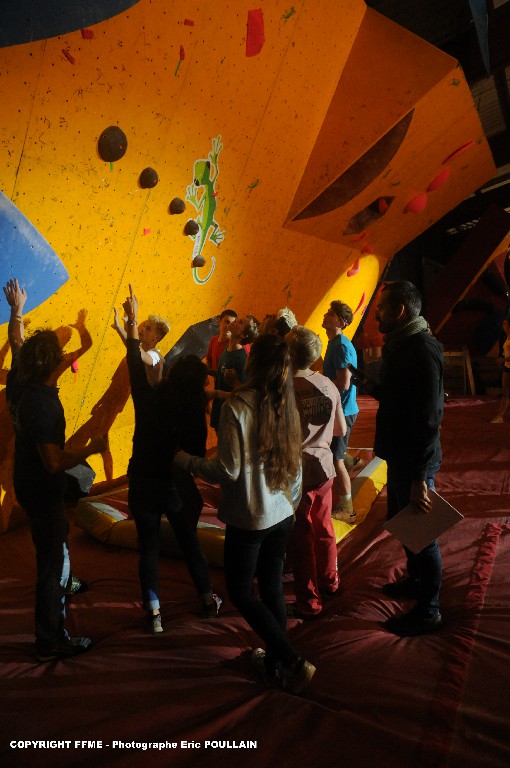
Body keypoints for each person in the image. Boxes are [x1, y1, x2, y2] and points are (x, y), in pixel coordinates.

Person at [175, 333, 316, 694]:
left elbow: (228, 470)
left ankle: (291, 660)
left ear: (253, 362)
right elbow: (295, 463)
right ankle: (273, 663)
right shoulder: (285, 400)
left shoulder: (238, 407)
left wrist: (186, 461)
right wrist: (292, 505)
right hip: (282, 512)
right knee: (271, 589)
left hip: (251, 517)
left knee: (239, 591)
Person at [3, 278, 107, 662]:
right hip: (42, 486)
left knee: (56, 536)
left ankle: (65, 575)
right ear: (54, 364)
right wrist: (91, 448)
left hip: (26, 481)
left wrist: (17, 310)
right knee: (50, 565)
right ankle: (50, 641)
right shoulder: (44, 406)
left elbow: (17, 342)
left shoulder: (20, 381)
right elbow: (53, 461)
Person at [122, 286, 221, 633]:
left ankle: (154, 613)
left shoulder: (148, 399)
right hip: (172, 483)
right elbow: (196, 454)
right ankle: (207, 599)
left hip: (142, 479)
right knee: (190, 542)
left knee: (148, 547)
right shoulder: (194, 413)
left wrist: (132, 322)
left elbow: (134, 364)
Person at [371, 280, 444, 636]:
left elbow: (429, 418)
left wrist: (419, 478)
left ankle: (429, 611)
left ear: (399, 311)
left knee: (422, 534)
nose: (377, 315)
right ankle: (416, 582)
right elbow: (399, 398)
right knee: (404, 525)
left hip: (415, 461)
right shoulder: (403, 345)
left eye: (382, 308)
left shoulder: (421, 350)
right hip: (402, 457)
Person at [286, 326, 346, 618]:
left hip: (294, 471)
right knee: (324, 528)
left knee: (300, 539)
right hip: (324, 467)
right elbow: (340, 429)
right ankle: (330, 581)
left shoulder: (282, 387)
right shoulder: (327, 384)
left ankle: (309, 602)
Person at [321, 301, 359, 523]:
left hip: (343, 412)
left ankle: (348, 509)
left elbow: (343, 383)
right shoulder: (335, 342)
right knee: (335, 450)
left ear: (341, 322)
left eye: (331, 313)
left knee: (336, 460)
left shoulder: (341, 346)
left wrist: (319, 385)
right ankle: (352, 460)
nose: (326, 315)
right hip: (340, 409)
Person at [209, 315, 258, 432]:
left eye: (241, 322)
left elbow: (243, 395)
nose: (236, 320)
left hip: (230, 417)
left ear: (243, 335)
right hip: (220, 410)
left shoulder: (241, 359)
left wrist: (217, 394)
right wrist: (205, 370)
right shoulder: (227, 348)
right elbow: (222, 373)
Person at [112, 305, 169, 387]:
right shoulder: (140, 347)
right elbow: (131, 341)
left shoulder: (155, 357)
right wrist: (127, 316)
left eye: (148, 328)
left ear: (156, 337)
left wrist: (126, 323)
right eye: (144, 325)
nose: (142, 329)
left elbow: (134, 348)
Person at [205, 309, 238, 374]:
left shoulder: (235, 345)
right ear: (219, 321)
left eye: (232, 324)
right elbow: (209, 361)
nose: (229, 326)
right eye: (227, 322)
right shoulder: (213, 340)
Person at [491, 316, 510, 423]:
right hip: (507, 366)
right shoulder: (507, 337)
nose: (503, 325)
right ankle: (500, 416)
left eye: (505, 323)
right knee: (505, 391)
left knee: (506, 392)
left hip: (507, 364)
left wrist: (503, 360)